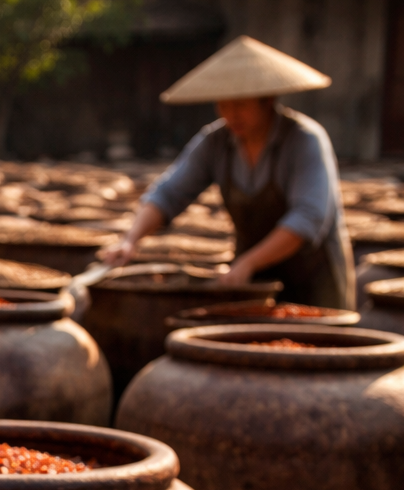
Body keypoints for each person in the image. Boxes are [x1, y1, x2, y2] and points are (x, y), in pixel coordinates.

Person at [101, 36, 354, 308]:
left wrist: (248, 262)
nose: (231, 115)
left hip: (313, 282)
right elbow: (169, 193)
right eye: (223, 105)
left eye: (240, 105)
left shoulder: (305, 140)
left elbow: (307, 218)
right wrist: (130, 240)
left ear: (267, 100)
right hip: (252, 279)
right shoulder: (215, 142)